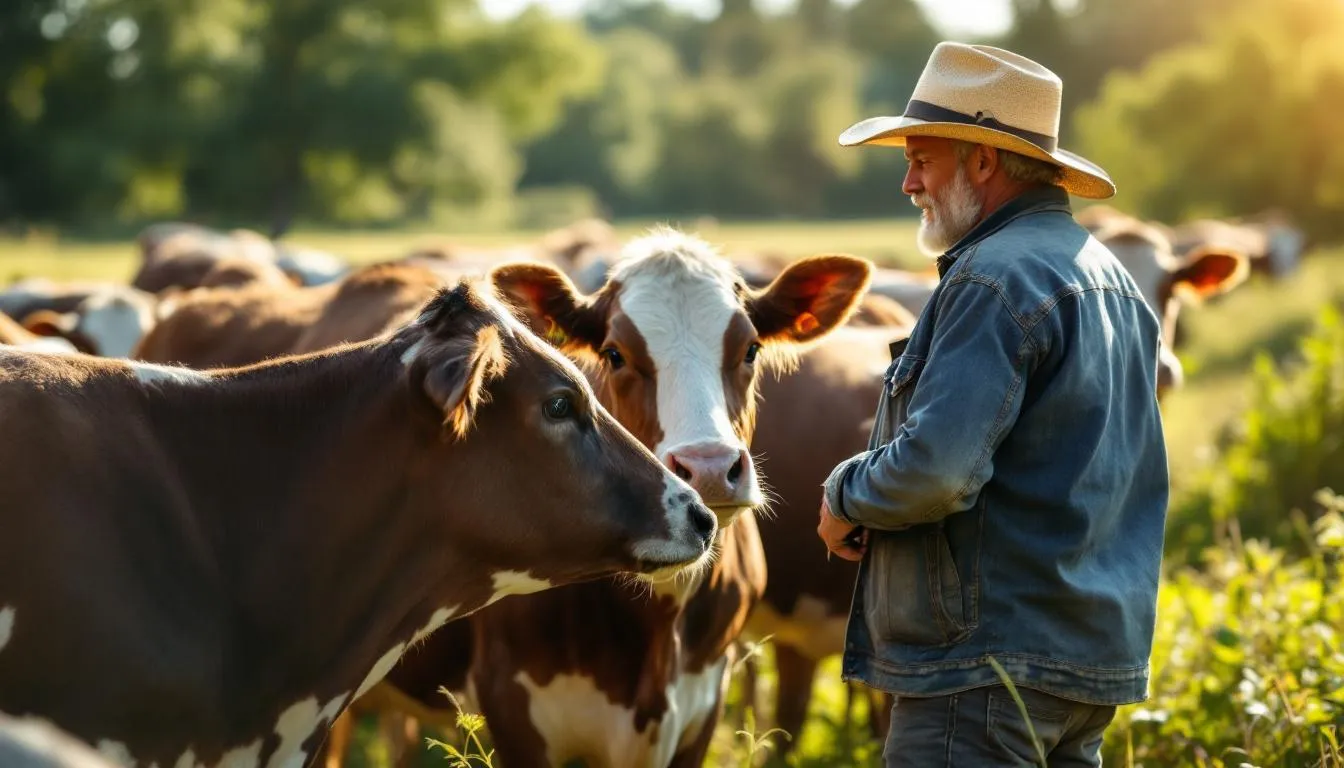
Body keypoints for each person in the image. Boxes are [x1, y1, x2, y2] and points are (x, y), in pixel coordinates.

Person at [815, 42, 1169, 767]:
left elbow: (938, 471)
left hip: (982, 672)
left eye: (922, 158)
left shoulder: (989, 279)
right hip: (1086, 664)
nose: (908, 183)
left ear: (983, 161)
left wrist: (845, 493)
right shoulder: (1112, 279)